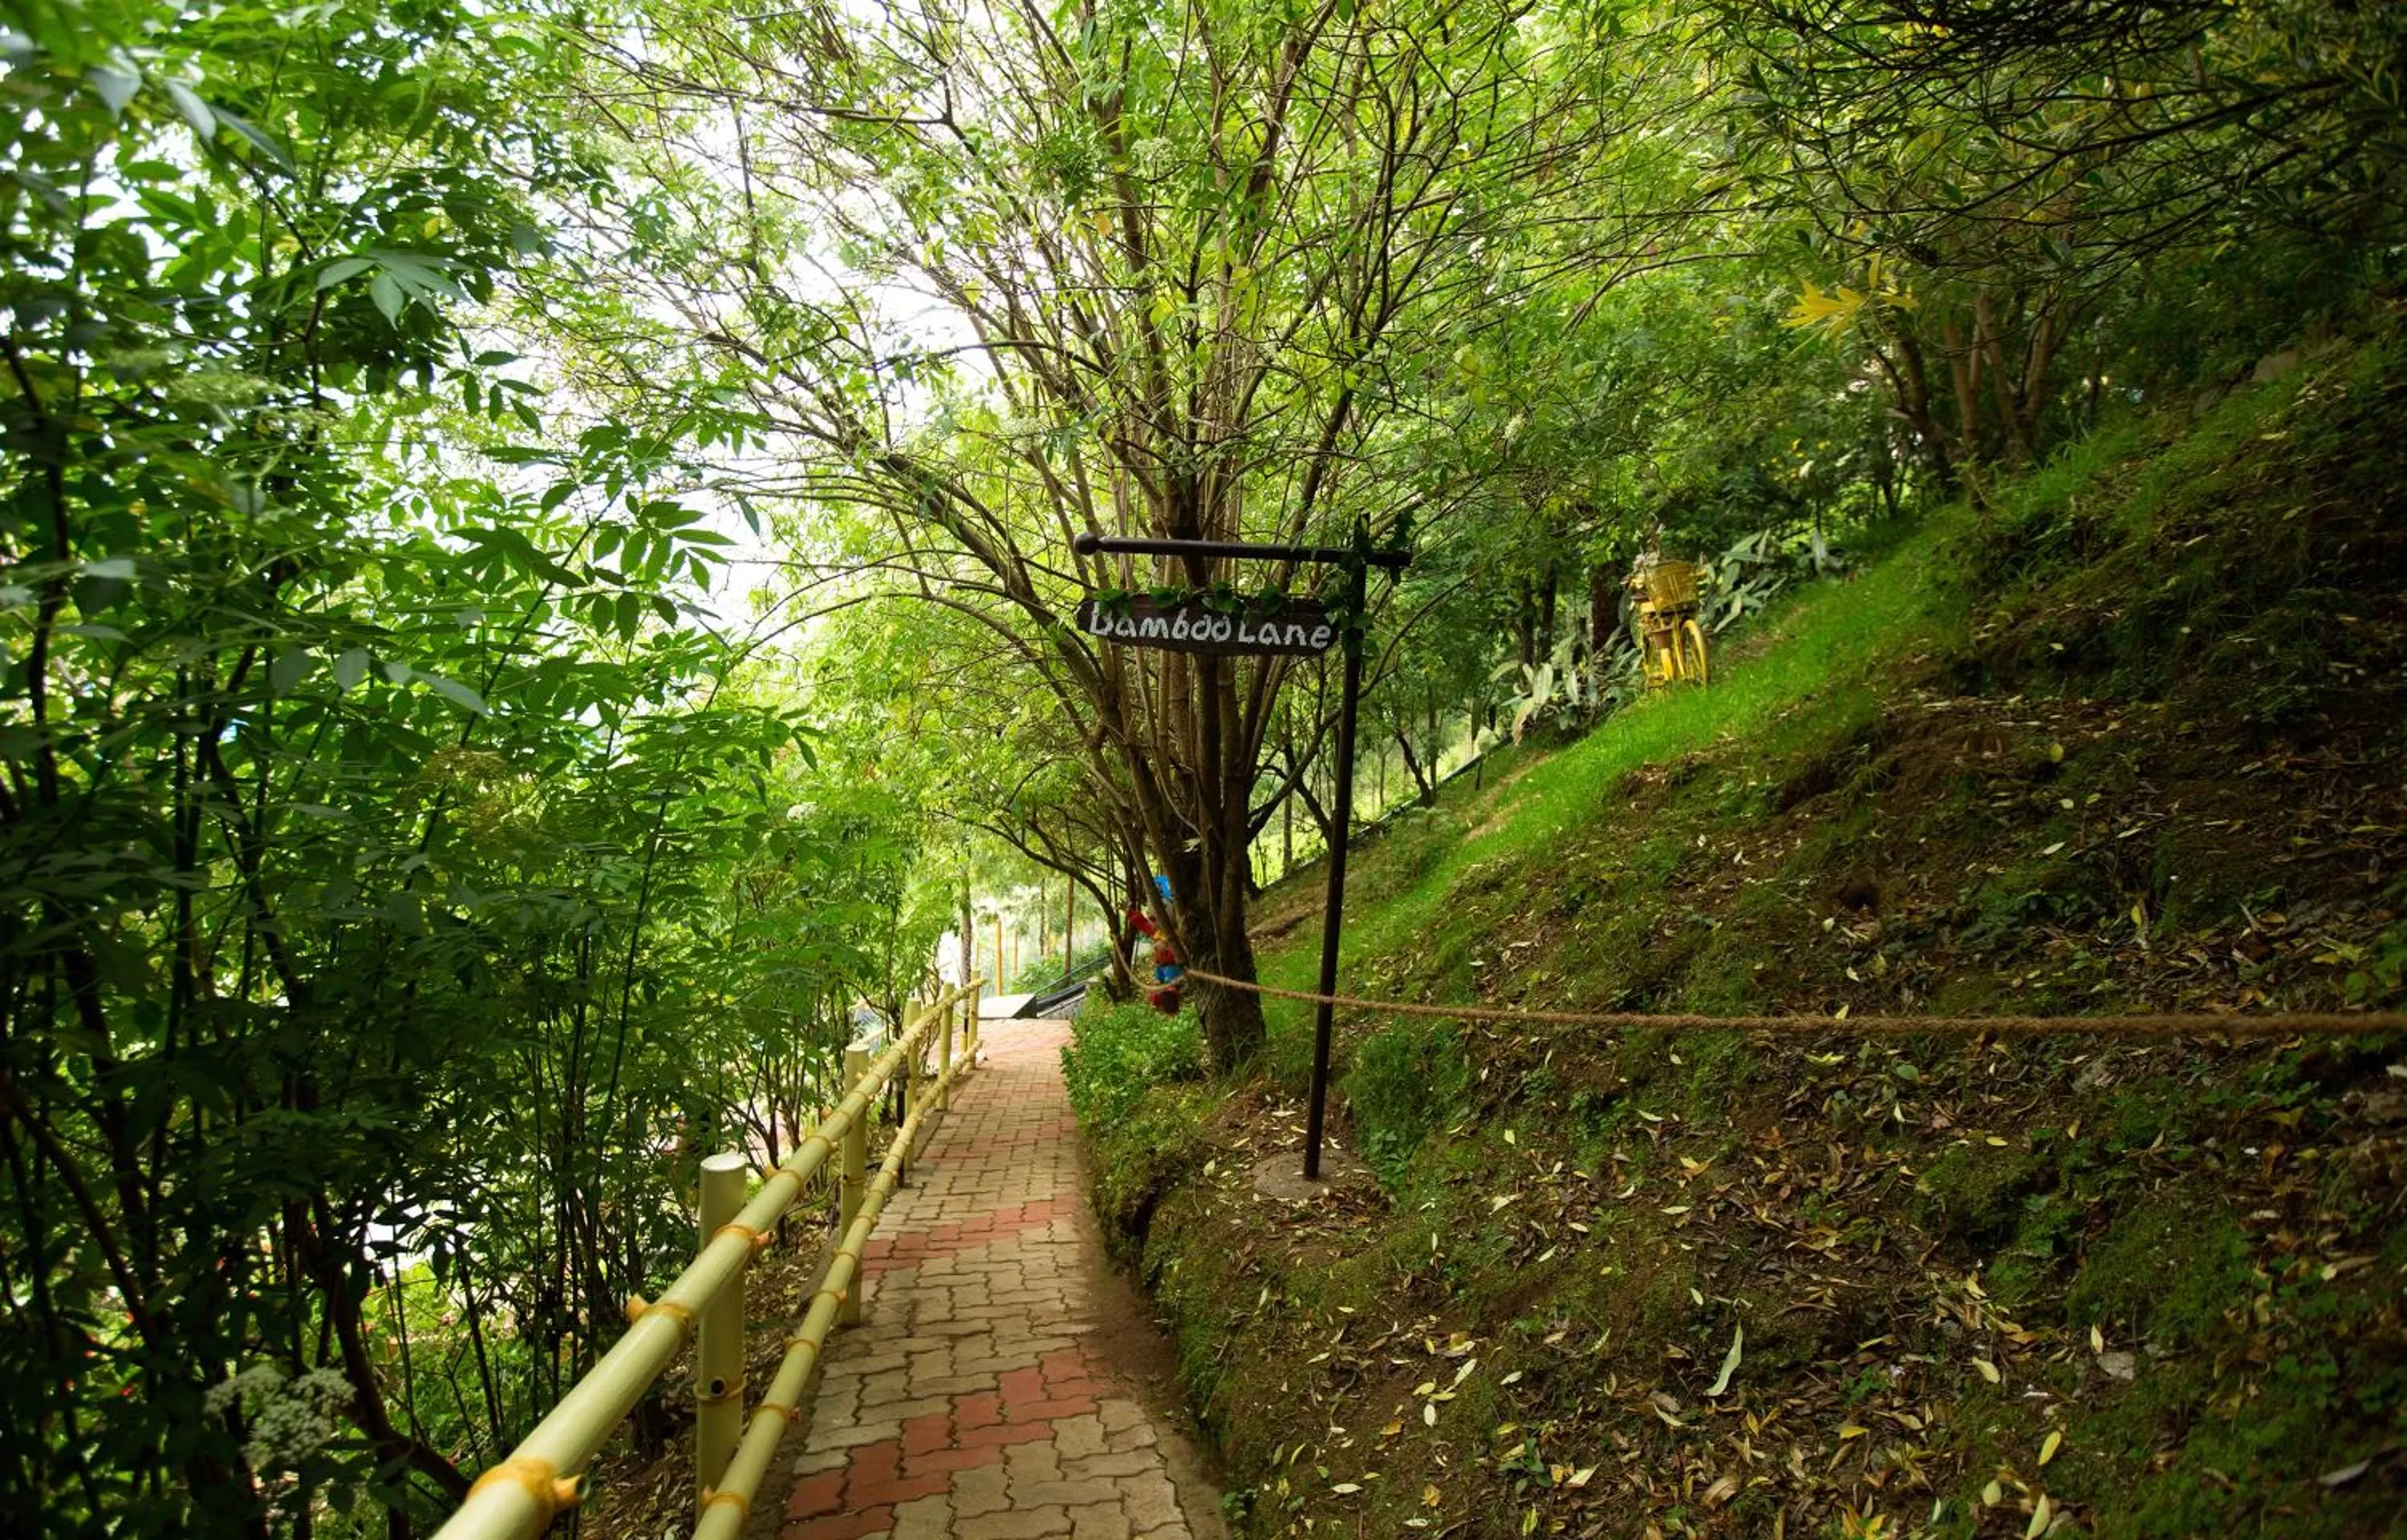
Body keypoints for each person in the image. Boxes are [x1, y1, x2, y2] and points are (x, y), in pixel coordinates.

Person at [1126, 877, 1183, 1015]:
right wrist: (1130, 912)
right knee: (1161, 982)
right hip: (1161, 966)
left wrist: (1167, 947)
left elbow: (1182, 949)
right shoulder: (1158, 932)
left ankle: (1169, 999)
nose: (1152, 917)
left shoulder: (1177, 933)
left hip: (1172, 967)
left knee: (1170, 983)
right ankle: (1162, 997)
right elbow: (1144, 924)